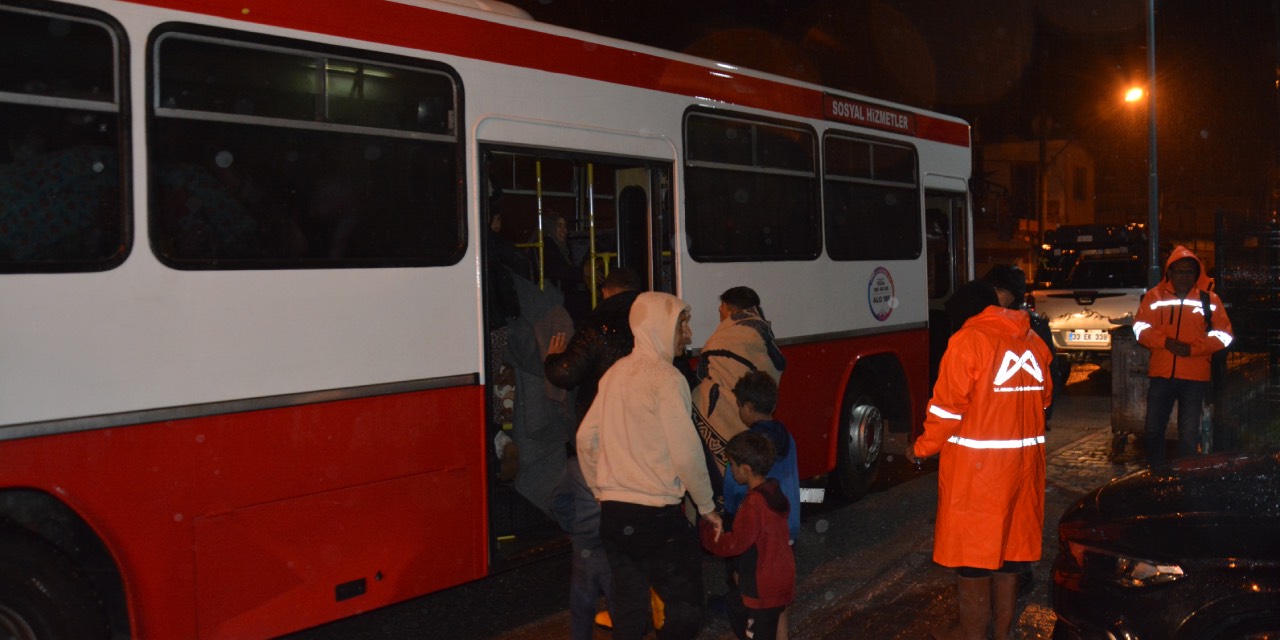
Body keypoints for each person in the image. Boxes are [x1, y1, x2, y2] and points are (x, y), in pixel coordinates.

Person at [577, 292, 722, 640]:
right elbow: (686, 453)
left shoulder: (614, 374)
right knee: (685, 606)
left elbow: (585, 438)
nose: (687, 334)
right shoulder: (667, 379)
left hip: (614, 516)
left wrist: (601, 489)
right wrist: (707, 507)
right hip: (657, 518)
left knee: (629, 611)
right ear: (658, 327)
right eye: (680, 325)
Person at [906, 297, 1053, 640]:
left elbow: (946, 409)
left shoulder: (968, 341)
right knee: (1010, 553)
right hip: (1023, 470)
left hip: (979, 474)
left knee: (973, 558)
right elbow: (1045, 398)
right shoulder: (1033, 342)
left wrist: (920, 449)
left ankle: (972, 635)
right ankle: (1002, 634)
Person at [1133, 246, 1233, 466]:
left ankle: (1185, 479)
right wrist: (1164, 342)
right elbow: (1140, 328)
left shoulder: (1210, 299)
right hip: (1161, 374)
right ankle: (1155, 474)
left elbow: (1224, 336)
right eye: (1180, 271)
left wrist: (1193, 349)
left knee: (1188, 435)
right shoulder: (1154, 296)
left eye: (1189, 272)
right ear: (1170, 272)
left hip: (1194, 378)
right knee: (1152, 430)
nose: (1184, 276)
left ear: (1197, 274)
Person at [720, 371, 799, 640]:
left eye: (740, 405)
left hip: (757, 533)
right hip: (787, 526)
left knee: (750, 591)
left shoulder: (746, 447)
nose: (740, 410)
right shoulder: (789, 438)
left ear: (749, 407)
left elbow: (732, 493)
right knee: (779, 596)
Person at [693, 286, 787, 502]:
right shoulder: (762, 333)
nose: (719, 314)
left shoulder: (721, 340)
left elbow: (707, 380)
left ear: (728, 309)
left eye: (720, 309)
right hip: (781, 514)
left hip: (727, 425)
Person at [699, 431, 796, 640]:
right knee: (774, 629)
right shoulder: (773, 492)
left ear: (745, 469)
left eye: (731, 465)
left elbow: (735, 544)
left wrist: (707, 535)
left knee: (756, 633)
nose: (730, 469)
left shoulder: (754, 504)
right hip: (779, 577)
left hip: (762, 587)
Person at [544, 266, 644, 423]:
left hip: (603, 414)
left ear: (605, 292)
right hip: (643, 411)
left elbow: (566, 373)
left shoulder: (596, 324)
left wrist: (552, 359)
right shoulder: (649, 319)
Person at [551, 457, 614, 640]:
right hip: (613, 539)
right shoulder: (620, 456)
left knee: (582, 605)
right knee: (620, 601)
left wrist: (573, 526)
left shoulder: (575, 465)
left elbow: (558, 501)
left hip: (585, 540)